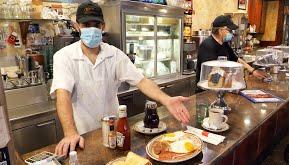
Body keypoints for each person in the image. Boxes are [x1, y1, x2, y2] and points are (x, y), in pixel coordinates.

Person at [50, 1, 190, 156]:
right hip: (83, 135)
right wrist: (70, 132)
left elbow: (141, 81)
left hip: (115, 131)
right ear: (77, 27)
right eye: (86, 24)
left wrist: (166, 100)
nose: (92, 29)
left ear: (102, 27)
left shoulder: (114, 54)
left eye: (96, 24)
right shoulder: (64, 57)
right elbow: (62, 94)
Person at [196, 15, 267, 83]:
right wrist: (231, 78)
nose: (232, 33)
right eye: (229, 30)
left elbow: (236, 59)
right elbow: (212, 70)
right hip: (208, 88)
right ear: (221, 31)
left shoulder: (224, 43)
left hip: (222, 85)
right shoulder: (207, 45)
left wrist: (253, 71)